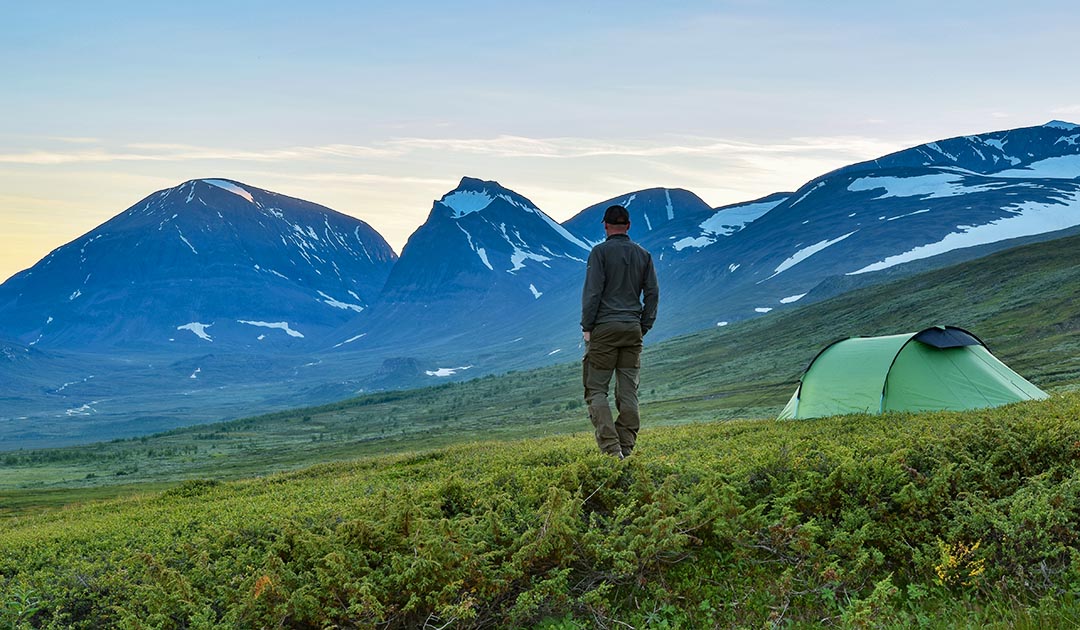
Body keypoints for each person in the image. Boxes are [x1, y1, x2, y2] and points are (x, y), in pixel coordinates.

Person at [580, 204, 659, 459]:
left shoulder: (599, 253)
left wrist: (587, 327)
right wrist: (644, 324)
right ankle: (626, 446)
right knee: (628, 391)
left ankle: (612, 451)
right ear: (628, 226)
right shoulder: (643, 255)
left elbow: (593, 293)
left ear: (605, 226)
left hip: (604, 329)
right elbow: (653, 293)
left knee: (596, 390)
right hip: (632, 329)